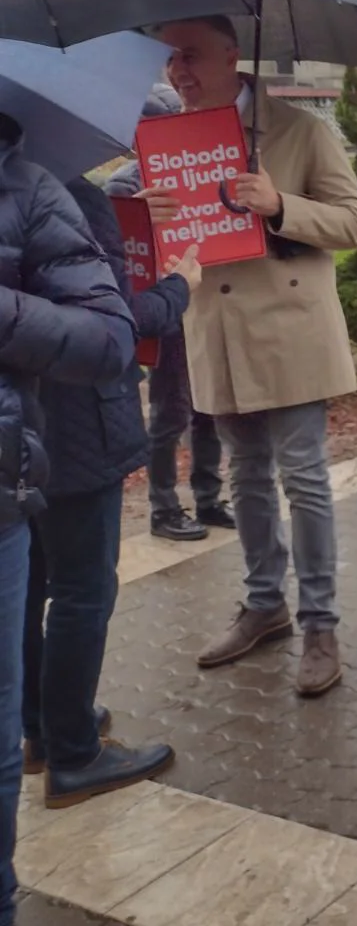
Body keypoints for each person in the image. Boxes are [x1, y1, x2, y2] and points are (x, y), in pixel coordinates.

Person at [139, 16, 357, 697]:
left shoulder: (298, 131)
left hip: (289, 331)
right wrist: (150, 218)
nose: (177, 71)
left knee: (303, 479)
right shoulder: (162, 142)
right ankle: (265, 604)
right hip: (215, 330)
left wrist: (278, 205)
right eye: (169, 60)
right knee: (244, 479)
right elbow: (163, 245)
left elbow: (354, 222)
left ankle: (321, 624)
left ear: (233, 56)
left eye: (190, 55)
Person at [23, 178, 198, 807]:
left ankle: (42, 728)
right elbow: (113, 324)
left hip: (21, 426)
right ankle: (73, 754)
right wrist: (180, 286)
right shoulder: (60, 192)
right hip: (76, 428)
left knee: (30, 583)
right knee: (83, 591)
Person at [0, 112, 135, 926]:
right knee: (80, 589)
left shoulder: (45, 193)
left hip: (38, 453)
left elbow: (110, 330)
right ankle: (64, 738)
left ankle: (55, 729)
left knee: (56, 586)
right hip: (72, 442)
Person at [107, 140, 230, 543]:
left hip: (203, 298)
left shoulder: (200, 172)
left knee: (206, 405)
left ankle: (208, 496)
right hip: (163, 306)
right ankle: (163, 508)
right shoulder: (123, 187)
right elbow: (113, 250)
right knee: (171, 410)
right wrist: (137, 216)